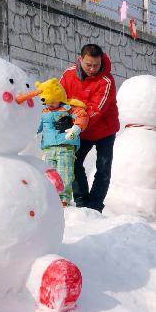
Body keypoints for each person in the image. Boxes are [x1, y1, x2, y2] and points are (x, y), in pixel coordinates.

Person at [59, 43, 120, 212]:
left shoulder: (106, 81)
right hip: (79, 129)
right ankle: (81, 199)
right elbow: (59, 96)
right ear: (81, 59)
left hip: (104, 130)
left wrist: (75, 124)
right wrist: (61, 116)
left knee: (103, 167)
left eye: (96, 65)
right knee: (73, 161)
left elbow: (96, 109)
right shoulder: (68, 74)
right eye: (89, 65)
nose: (92, 69)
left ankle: (95, 205)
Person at [33, 78, 88, 206]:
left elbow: (82, 116)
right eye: (48, 101)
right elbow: (36, 126)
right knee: (49, 173)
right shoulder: (43, 112)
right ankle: (51, 196)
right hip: (48, 148)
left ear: (60, 97)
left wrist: (76, 128)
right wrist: (30, 132)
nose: (51, 104)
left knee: (65, 173)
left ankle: (64, 198)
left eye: (54, 101)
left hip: (66, 147)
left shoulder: (69, 109)